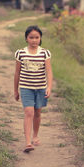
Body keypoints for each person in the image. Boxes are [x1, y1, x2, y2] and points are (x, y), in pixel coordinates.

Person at [14, 25, 53, 153]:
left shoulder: (44, 53)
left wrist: (49, 87)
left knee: (37, 112)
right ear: (26, 38)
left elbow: (49, 71)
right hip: (26, 88)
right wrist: (15, 90)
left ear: (40, 38)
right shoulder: (20, 53)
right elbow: (17, 73)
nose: (34, 40)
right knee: (29, 112)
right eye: (31, 37)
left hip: (40, 88)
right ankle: (28, 142)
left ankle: (35, 135)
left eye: (37, 37)